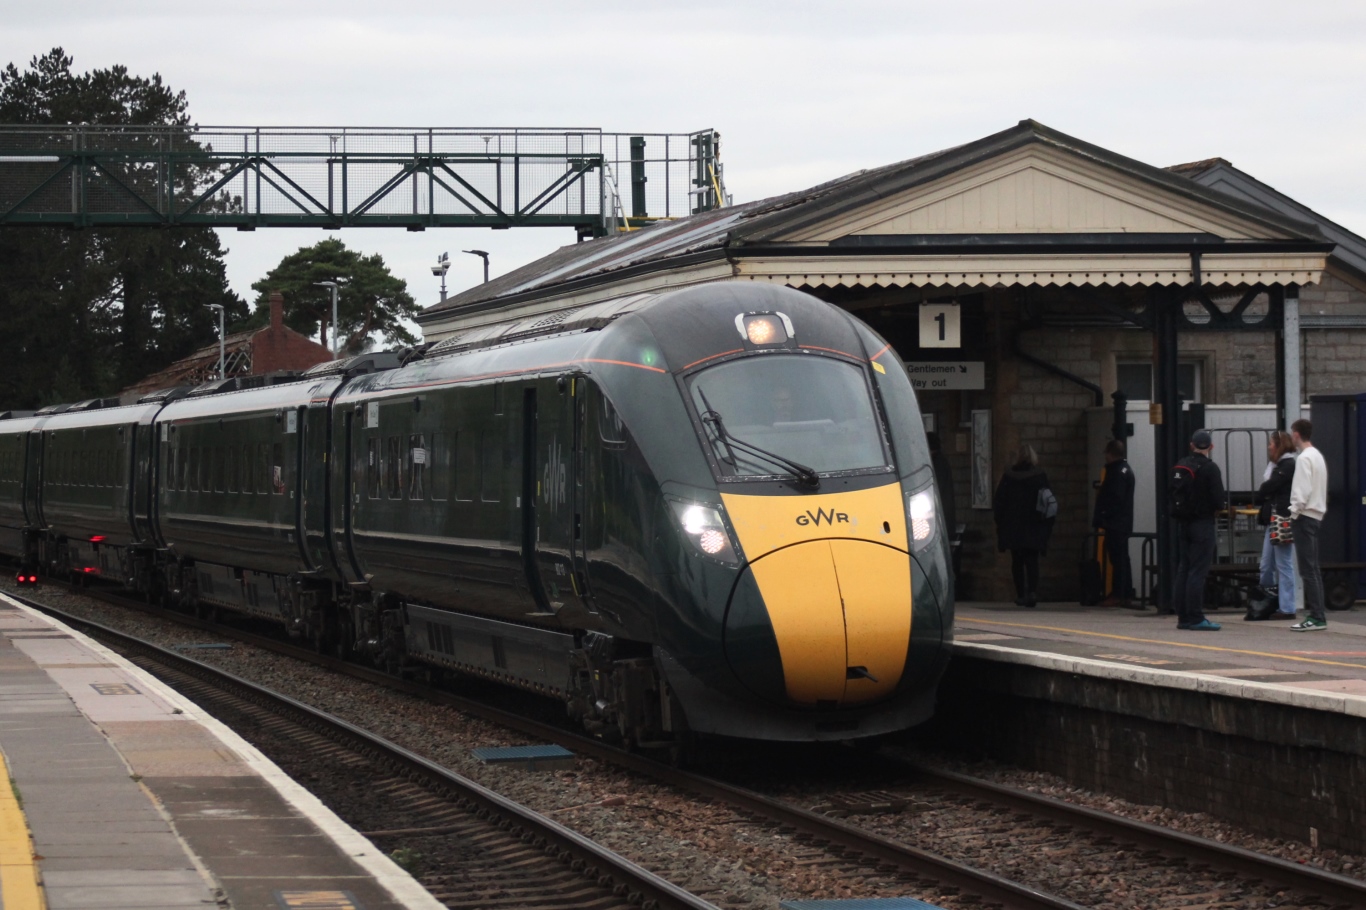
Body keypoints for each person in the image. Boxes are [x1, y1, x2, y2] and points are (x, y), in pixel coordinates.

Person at [1171, 429, 1225, 631]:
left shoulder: (1181, 466)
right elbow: (1219, 500)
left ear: (1191, 445)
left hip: (1183, 524)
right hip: (1202, 524)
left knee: (1184, 568)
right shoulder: (1210, 469)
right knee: (1198, 571)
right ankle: (1195, 617)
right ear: (1210, 447)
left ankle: (1183, 616)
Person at [993, 444, 1054, 607]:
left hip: (1014, 525)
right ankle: (1032, 592)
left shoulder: (1009, 477)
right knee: (1032, 560)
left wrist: (1001, 523)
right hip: (1034, 524)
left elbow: (999, 502)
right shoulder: (1040, 476)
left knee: (1017, 560)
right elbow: (1048, 501)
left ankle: (1020, 594)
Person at [1247, 431, 1297, 621]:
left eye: (1271, 443)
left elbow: (1267, 488)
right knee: (1266, 565)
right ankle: (1266, 601)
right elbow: (1267, 490)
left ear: (1279, 445)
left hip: (1281, 519)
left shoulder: (1287, 465)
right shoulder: (1279, 466)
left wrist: (1265, 493)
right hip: (1273, 519)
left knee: (1283, 564)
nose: (1269, 447)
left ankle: (1287, 607)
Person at [1288, 418, 1329, 631]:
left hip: (1304, 516)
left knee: (1307, 569)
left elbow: (1301, 491)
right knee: (1313, 568)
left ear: (1296, 434)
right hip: (1316, 515)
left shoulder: (1304, 458)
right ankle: (1318, 614)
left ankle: (1316, 616)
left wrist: (1293, 512)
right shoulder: (1317, 456)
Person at [1093, 439, 1136, 607]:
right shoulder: (1126, 470)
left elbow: (1114, 498)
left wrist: (1103, 514)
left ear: (1110, 454)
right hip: (1123, 522)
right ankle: (1125, 593)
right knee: (1123, 559)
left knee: (1118, 559)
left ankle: (1119, 593)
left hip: (1115, 522)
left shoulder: (1116, 472)